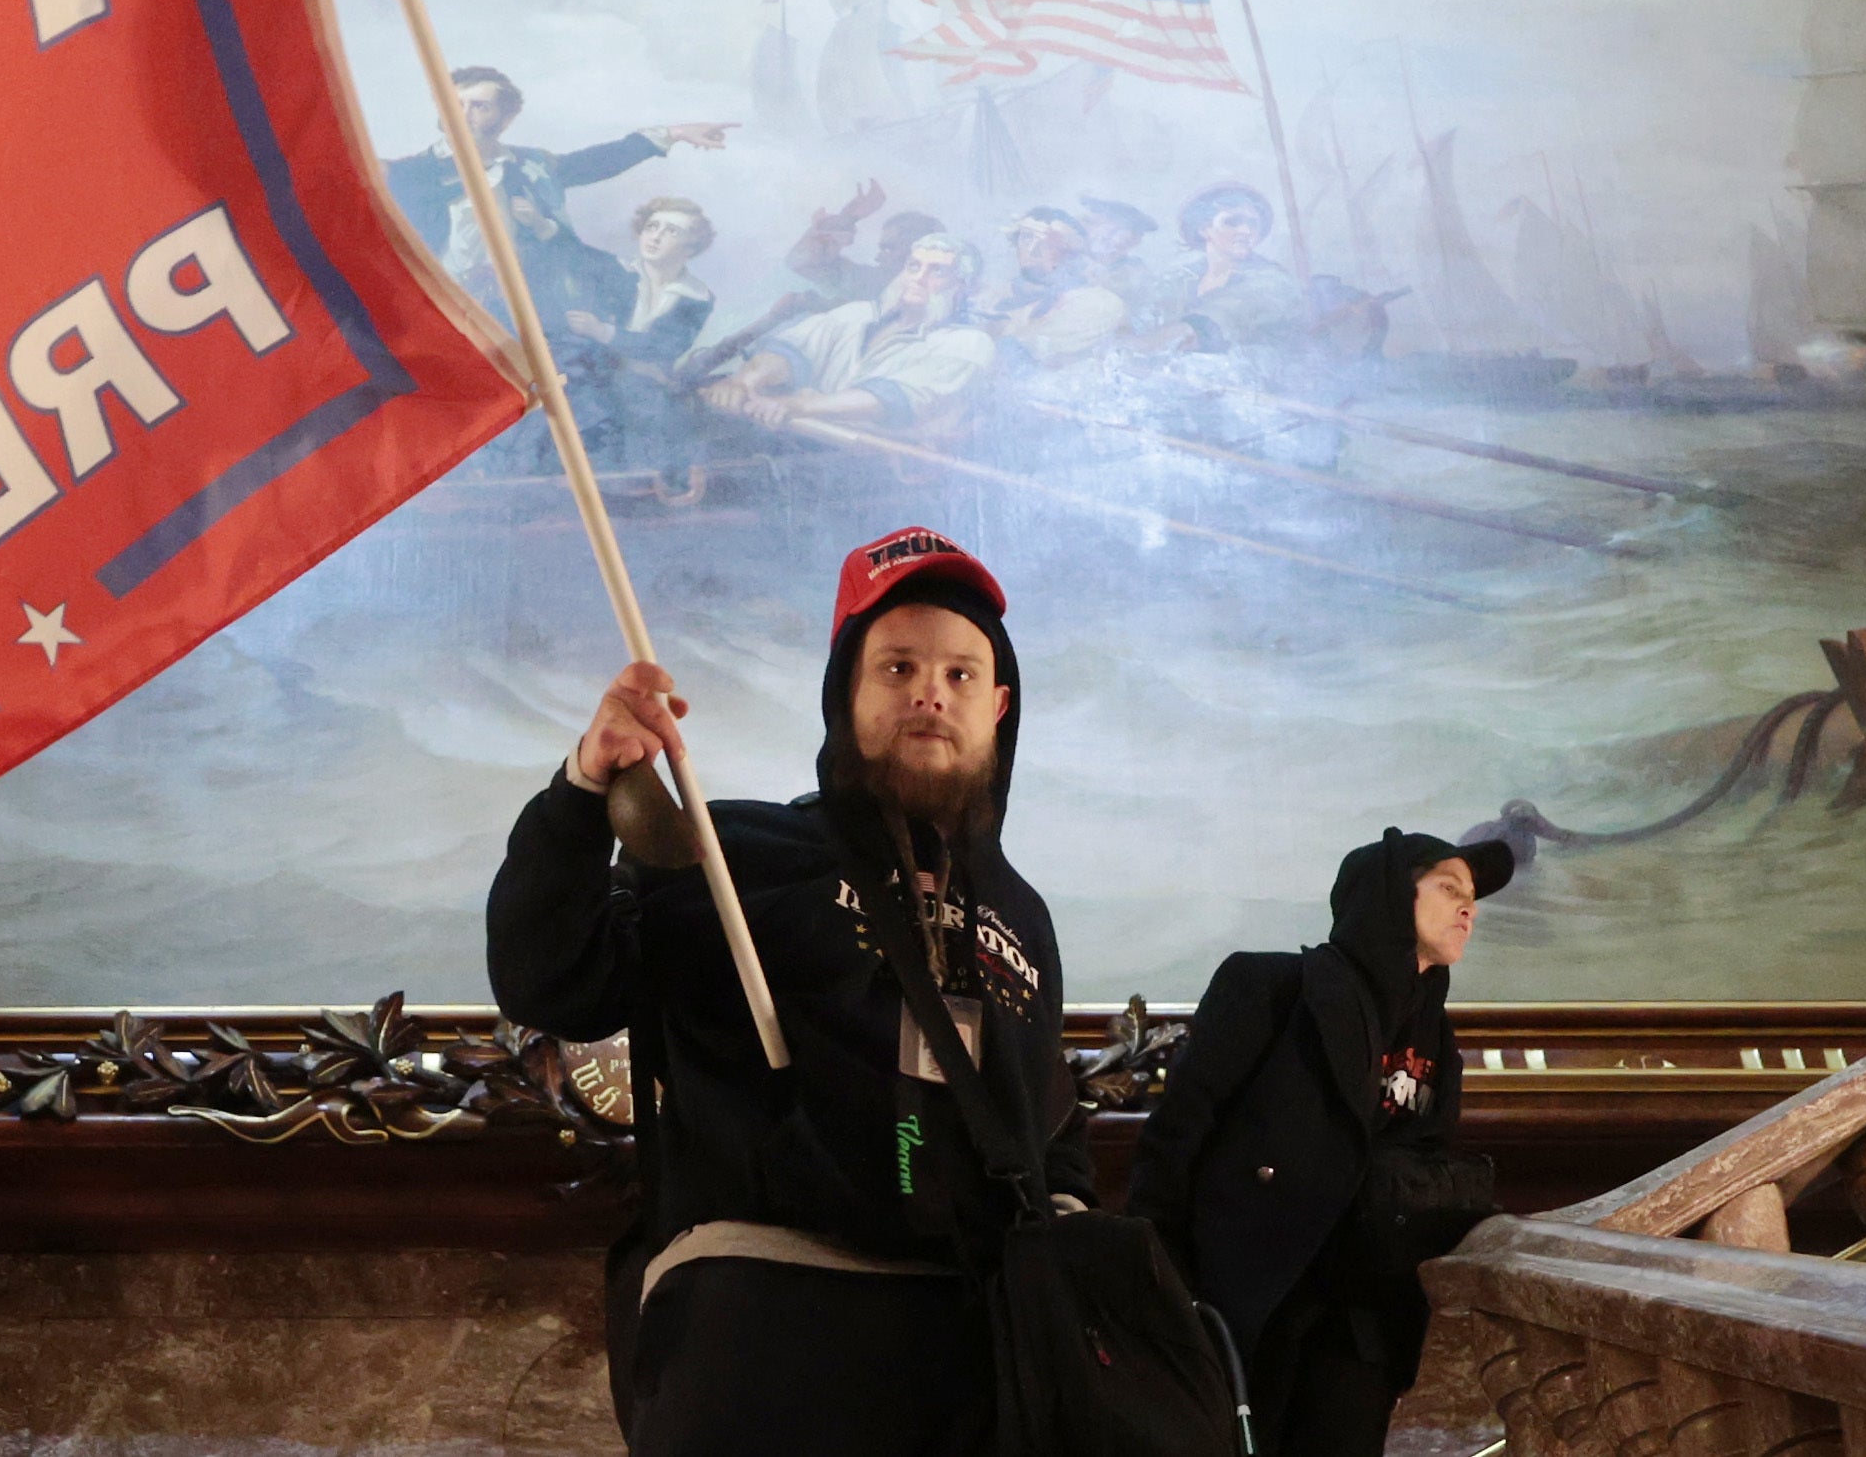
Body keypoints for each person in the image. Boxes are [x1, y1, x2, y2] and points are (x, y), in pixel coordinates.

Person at [488, 529, 1089, 1455]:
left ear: (1000, 707)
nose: (931, 689)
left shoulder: (1025, 918)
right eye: (897, 666)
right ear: (845, 693)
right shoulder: (735, 856)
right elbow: (551, 976)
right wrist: (581, 792)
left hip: (976, 1355)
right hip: (763, 1341)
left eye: (961, 674)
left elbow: (1045, 1122)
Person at [1129, 828, 1511, 1457]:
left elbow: (1429, 1169)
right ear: (1390, 892)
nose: (1468, 908)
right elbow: (1175, 1142)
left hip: (1362, 1326)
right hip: (1243, 1308)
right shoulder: (1271, 987)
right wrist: (1165, 1298)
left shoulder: (1437, 1043)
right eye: (1449, 888)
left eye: (1473, 897)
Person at [384, 66, 732, 319]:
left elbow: (598, 161)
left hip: (522, 309)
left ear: (506, 118)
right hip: (435, 308)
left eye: (479, 106)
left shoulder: (531, 166)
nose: (463, 115)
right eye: (455, 103)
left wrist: (675, 132)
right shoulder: (405, 174)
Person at [704, 233, 998, 437]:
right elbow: (790, 350)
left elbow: (893, 400)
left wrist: (799, 404)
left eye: (937, 272)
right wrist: (745, 382)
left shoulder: (969, 343)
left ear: (964, 287)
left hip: (878, 470)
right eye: (913, 266)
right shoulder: (857, 315)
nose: (918, 279)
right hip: (806, 440)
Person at [1150, 184, 1313, 353]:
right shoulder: (1179, 277)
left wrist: (1166, 338)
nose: (1246, 230)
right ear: (1203, 229)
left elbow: (1227, 314)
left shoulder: (1273, 280)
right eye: (1232, 222)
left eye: (1253, 224)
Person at [568, 195, 717, 373]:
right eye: (652, 227)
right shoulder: (611, 270)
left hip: (642, 389)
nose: (656, 237)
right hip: (587, 370)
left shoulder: (697, 297)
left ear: (691, 246)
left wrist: (602, 331)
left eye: (672, 231)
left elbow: (665, 349)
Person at [982, 206, 1127, 370]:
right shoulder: (997, 297)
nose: (1031, 250)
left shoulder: (1099, 304)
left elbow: (1036, 354)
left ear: (1070, 251)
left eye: (1047, 243)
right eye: (1027, 238)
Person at [785, 181, 950, 306]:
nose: (878, 257)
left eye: (888, 249)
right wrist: (846, 219)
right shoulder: (872, 284)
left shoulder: (943, 300)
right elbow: (800, 263)